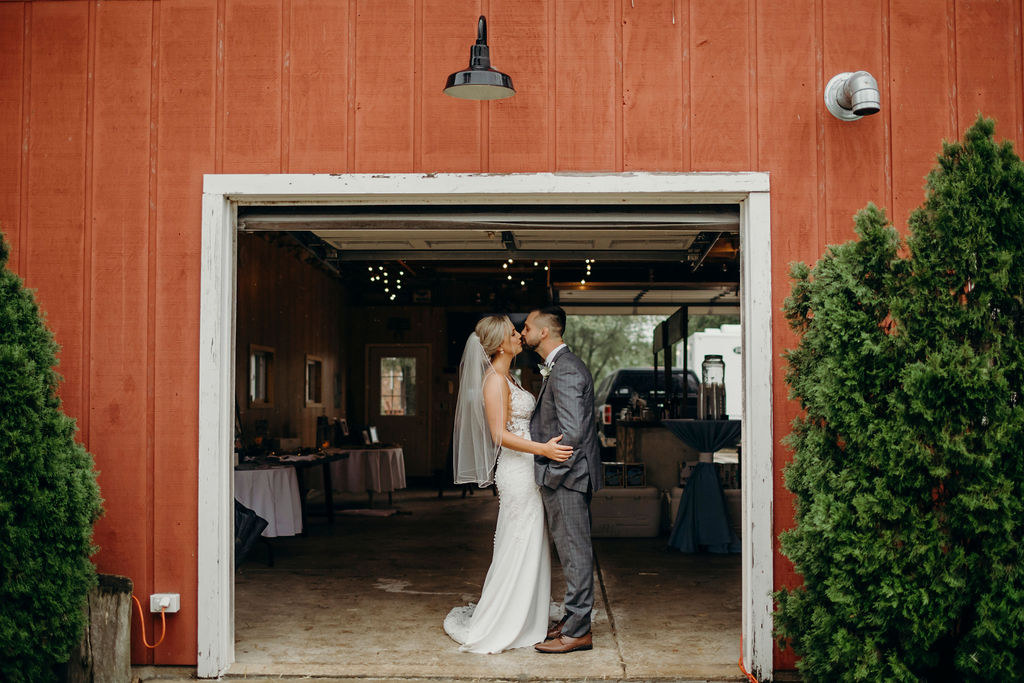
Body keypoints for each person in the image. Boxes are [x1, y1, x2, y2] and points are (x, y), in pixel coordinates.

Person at [444, 314, 574, 654]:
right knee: (520, 540)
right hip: (516, 472)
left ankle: (528, 614)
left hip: (527, 468)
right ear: (499, 343)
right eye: (513, 332)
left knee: (531, 541)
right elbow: (500, 435)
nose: (520, 336)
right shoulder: (494, 381)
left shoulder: (510, 377)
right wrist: (543, 448)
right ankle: (508, 619)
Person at [521, 305, 602, 654]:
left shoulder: (566, 369)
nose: (522, 333)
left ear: (543, 332)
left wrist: (551, 475)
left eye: (526, 327)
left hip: (568, 478)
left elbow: (572, 431)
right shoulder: (561, 366)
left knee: (575, 554)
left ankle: (578, 632)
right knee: (571, 552)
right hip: (569, 476)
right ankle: (572, 622)